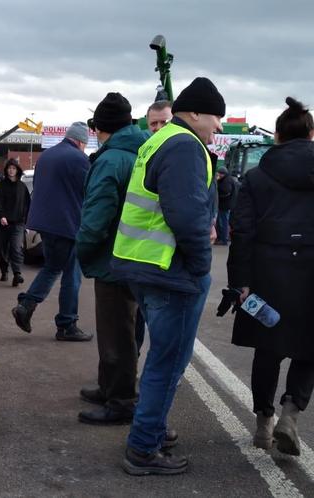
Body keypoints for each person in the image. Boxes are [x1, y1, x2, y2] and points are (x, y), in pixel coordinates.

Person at [112, 77, 225, 475]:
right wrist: (200, 266)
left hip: (145, 265)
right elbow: (187, 216)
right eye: (215, 117)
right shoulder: (185, 146)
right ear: (194, 113)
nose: (218, 126)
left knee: (161, 357)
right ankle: (144, 448)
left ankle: (152, 429)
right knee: (168, 361)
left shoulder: (159, 140)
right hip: (170, 271)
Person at [227, 97, 314, 456]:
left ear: (275, 136)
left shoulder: (256, 176)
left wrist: (240, 281)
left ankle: (263, 421)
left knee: (268, 348)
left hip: (267, 269)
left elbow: (241, 231)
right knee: (310, 347)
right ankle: (290, 414)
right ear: (311, 134)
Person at [76, 93, 149, 425]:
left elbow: (96, 216)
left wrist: (83, 248)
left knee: (115, 332)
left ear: (98, 128)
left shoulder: (110, 160)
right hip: (136, 254)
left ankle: (120, 401)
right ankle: (110, 387)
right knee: (124, 329)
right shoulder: (142, 150)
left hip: (113, 259)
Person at [11, 122, 91, 341]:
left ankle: (27, 306)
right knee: (71, 275)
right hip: (67, 225)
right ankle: (66, 324)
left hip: (44, 225)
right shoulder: (79, 159)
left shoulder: (46, 156)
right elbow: (90, 192)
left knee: (53, 268)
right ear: (81, 141)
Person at [135, 100, 173, 354]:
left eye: (164, 123)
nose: (158, 128)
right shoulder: (143, 154)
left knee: (165, 330)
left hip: (169, 260)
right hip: (143, 257)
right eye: (153, 124)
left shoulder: (182, 154)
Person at [0, 157, 31, 286]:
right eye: (9, 168)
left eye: (14, 168)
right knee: (1, 250)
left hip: (18, 223)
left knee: (16, 248)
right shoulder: (0, 186)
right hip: (3, 223)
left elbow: (27, 205)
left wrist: (26, 219)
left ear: (17, 170)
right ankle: (4, 271)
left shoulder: (22, 187)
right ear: (6, 170)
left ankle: (17, 273)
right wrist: (1, 216)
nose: (11, 171)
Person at [214, 166, 237, 245]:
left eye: (219, 174)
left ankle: (223, 239)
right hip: (227, 205)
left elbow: (226, 192)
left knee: (223, 222)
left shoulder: (226, 181)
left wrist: (218, 197)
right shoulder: (229, 179)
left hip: (225, 205)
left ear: (222, 174)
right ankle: (222, 238)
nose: (218, 175)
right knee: (223, 222)